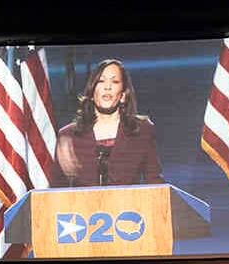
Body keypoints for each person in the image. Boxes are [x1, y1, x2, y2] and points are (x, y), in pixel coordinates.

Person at [54, 59, 165, 188]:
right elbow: (55, 191)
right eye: (101, 81)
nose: (107, 87)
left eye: (114, 81)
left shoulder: (142, 131)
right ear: (92, 92)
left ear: (123, 95)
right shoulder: (69, 135)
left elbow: (155, 183)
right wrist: (67, 174)